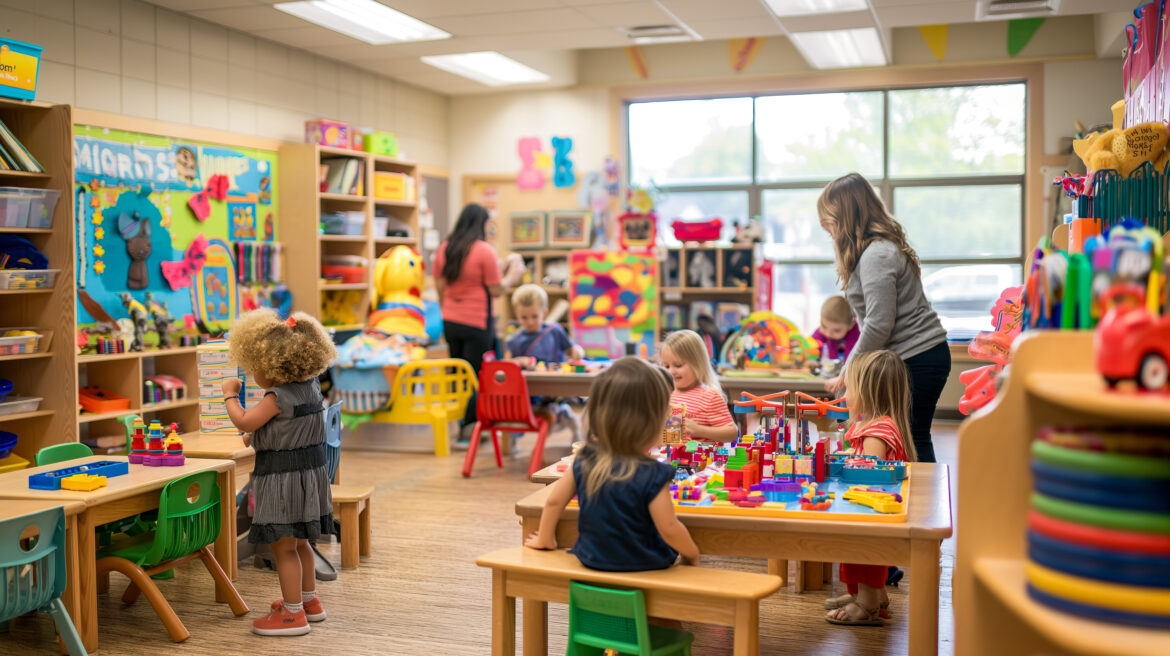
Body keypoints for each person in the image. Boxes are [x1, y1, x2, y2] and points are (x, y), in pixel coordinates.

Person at [817, 173, 950, 463]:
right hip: (914, 355)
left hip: (919, 356)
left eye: (830, 221)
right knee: (906, 435)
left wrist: (848, 370)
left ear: (847, 217)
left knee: (911, 436)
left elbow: (878, 324)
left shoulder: (877, 255)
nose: (826, 228)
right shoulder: (872, 252)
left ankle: (921, 501)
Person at [524, 357, 700, 572]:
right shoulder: (655, 473)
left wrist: (545, 538)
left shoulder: (585, 456)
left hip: (591, 559)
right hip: (647, 564)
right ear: (655, 423)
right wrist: (692, 556)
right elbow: (670, 528)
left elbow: (553, 501)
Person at [223, 309, 337, 636]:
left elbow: (244, 420)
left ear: (272, 367)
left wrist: (230, 394)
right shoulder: (311, 387)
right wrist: (261, 435)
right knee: (300, 543)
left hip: (283, 480)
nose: (253, 374)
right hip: (309, 477)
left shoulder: (276, 396)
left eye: (253, 368)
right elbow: (290, 428)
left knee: (283, 548)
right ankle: (309, 602)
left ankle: (291, 615)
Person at [824, 350, 916, 627]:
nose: (846, 392)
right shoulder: (873, 424)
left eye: (850, 386)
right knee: (857, 549)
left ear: (867, 391)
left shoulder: (878, 431)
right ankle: (874, 594)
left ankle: (867, 603)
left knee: (860, 548)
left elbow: (868, 471)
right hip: (872, 504)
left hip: (874, 508)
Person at [433, 203, 523, 436]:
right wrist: (514, 275)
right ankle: (471, 426)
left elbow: (441, 288)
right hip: (477, 322)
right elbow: (496, 289)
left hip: (451, 320)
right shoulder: (484, 250)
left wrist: (449, 312)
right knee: (477, 375)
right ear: (481, 224)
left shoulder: (445, 248)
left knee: (458, 373)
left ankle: (459, 422)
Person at [506, 284, 585, 440]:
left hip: (555, 389)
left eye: (534, 316)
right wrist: (517, 361)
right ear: (517, 315)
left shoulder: (554, 331)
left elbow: (572, 352)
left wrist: (578, 351)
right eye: (524, 317)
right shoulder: (514, 340)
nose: (529, 322)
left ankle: (571, 421)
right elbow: (505, 365)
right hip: (528, 391)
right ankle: (514, 438)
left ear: (545, 312)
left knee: (558, 408)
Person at [659, 330, 737, 443]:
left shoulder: (709, 396)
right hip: (669, 458)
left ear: (698, 364)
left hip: (701, 459)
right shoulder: (665, 393)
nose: (671, 371)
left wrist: (699, 430)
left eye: (678, 365)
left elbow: (732, 433)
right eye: (666, 366)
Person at [812, 295, 860, 362]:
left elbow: (851, 361)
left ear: (851, 325)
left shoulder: (856, 336)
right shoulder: (823, 332)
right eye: (824, 326)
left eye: (836, 330)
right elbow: (812, 344)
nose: (828, 334)